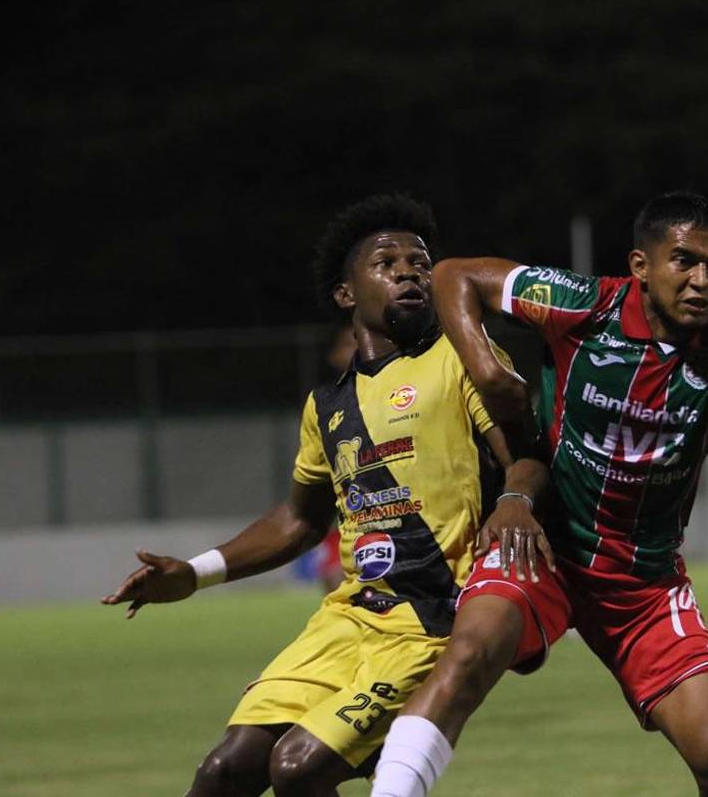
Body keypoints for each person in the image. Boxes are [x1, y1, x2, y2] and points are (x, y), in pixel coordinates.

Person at [369, 191, 708, 797]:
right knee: (469, 655)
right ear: (641, 266)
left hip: (643, 579)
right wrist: (487, 368)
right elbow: (455, 275)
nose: (701, 280)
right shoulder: (583, 303)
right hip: (544, 545)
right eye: (683, 261)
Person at [102, 194, 551, 797]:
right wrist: (194, 572)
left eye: (420, 263)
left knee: (297, 768)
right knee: (223, 772)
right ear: (347, 295)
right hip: (344, 621)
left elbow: (525, 453)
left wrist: (515, 499)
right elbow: (299, 518)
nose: (409, 273)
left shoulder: (457, 359)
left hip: (428, 620)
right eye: (386, 263)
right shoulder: (326, 406)